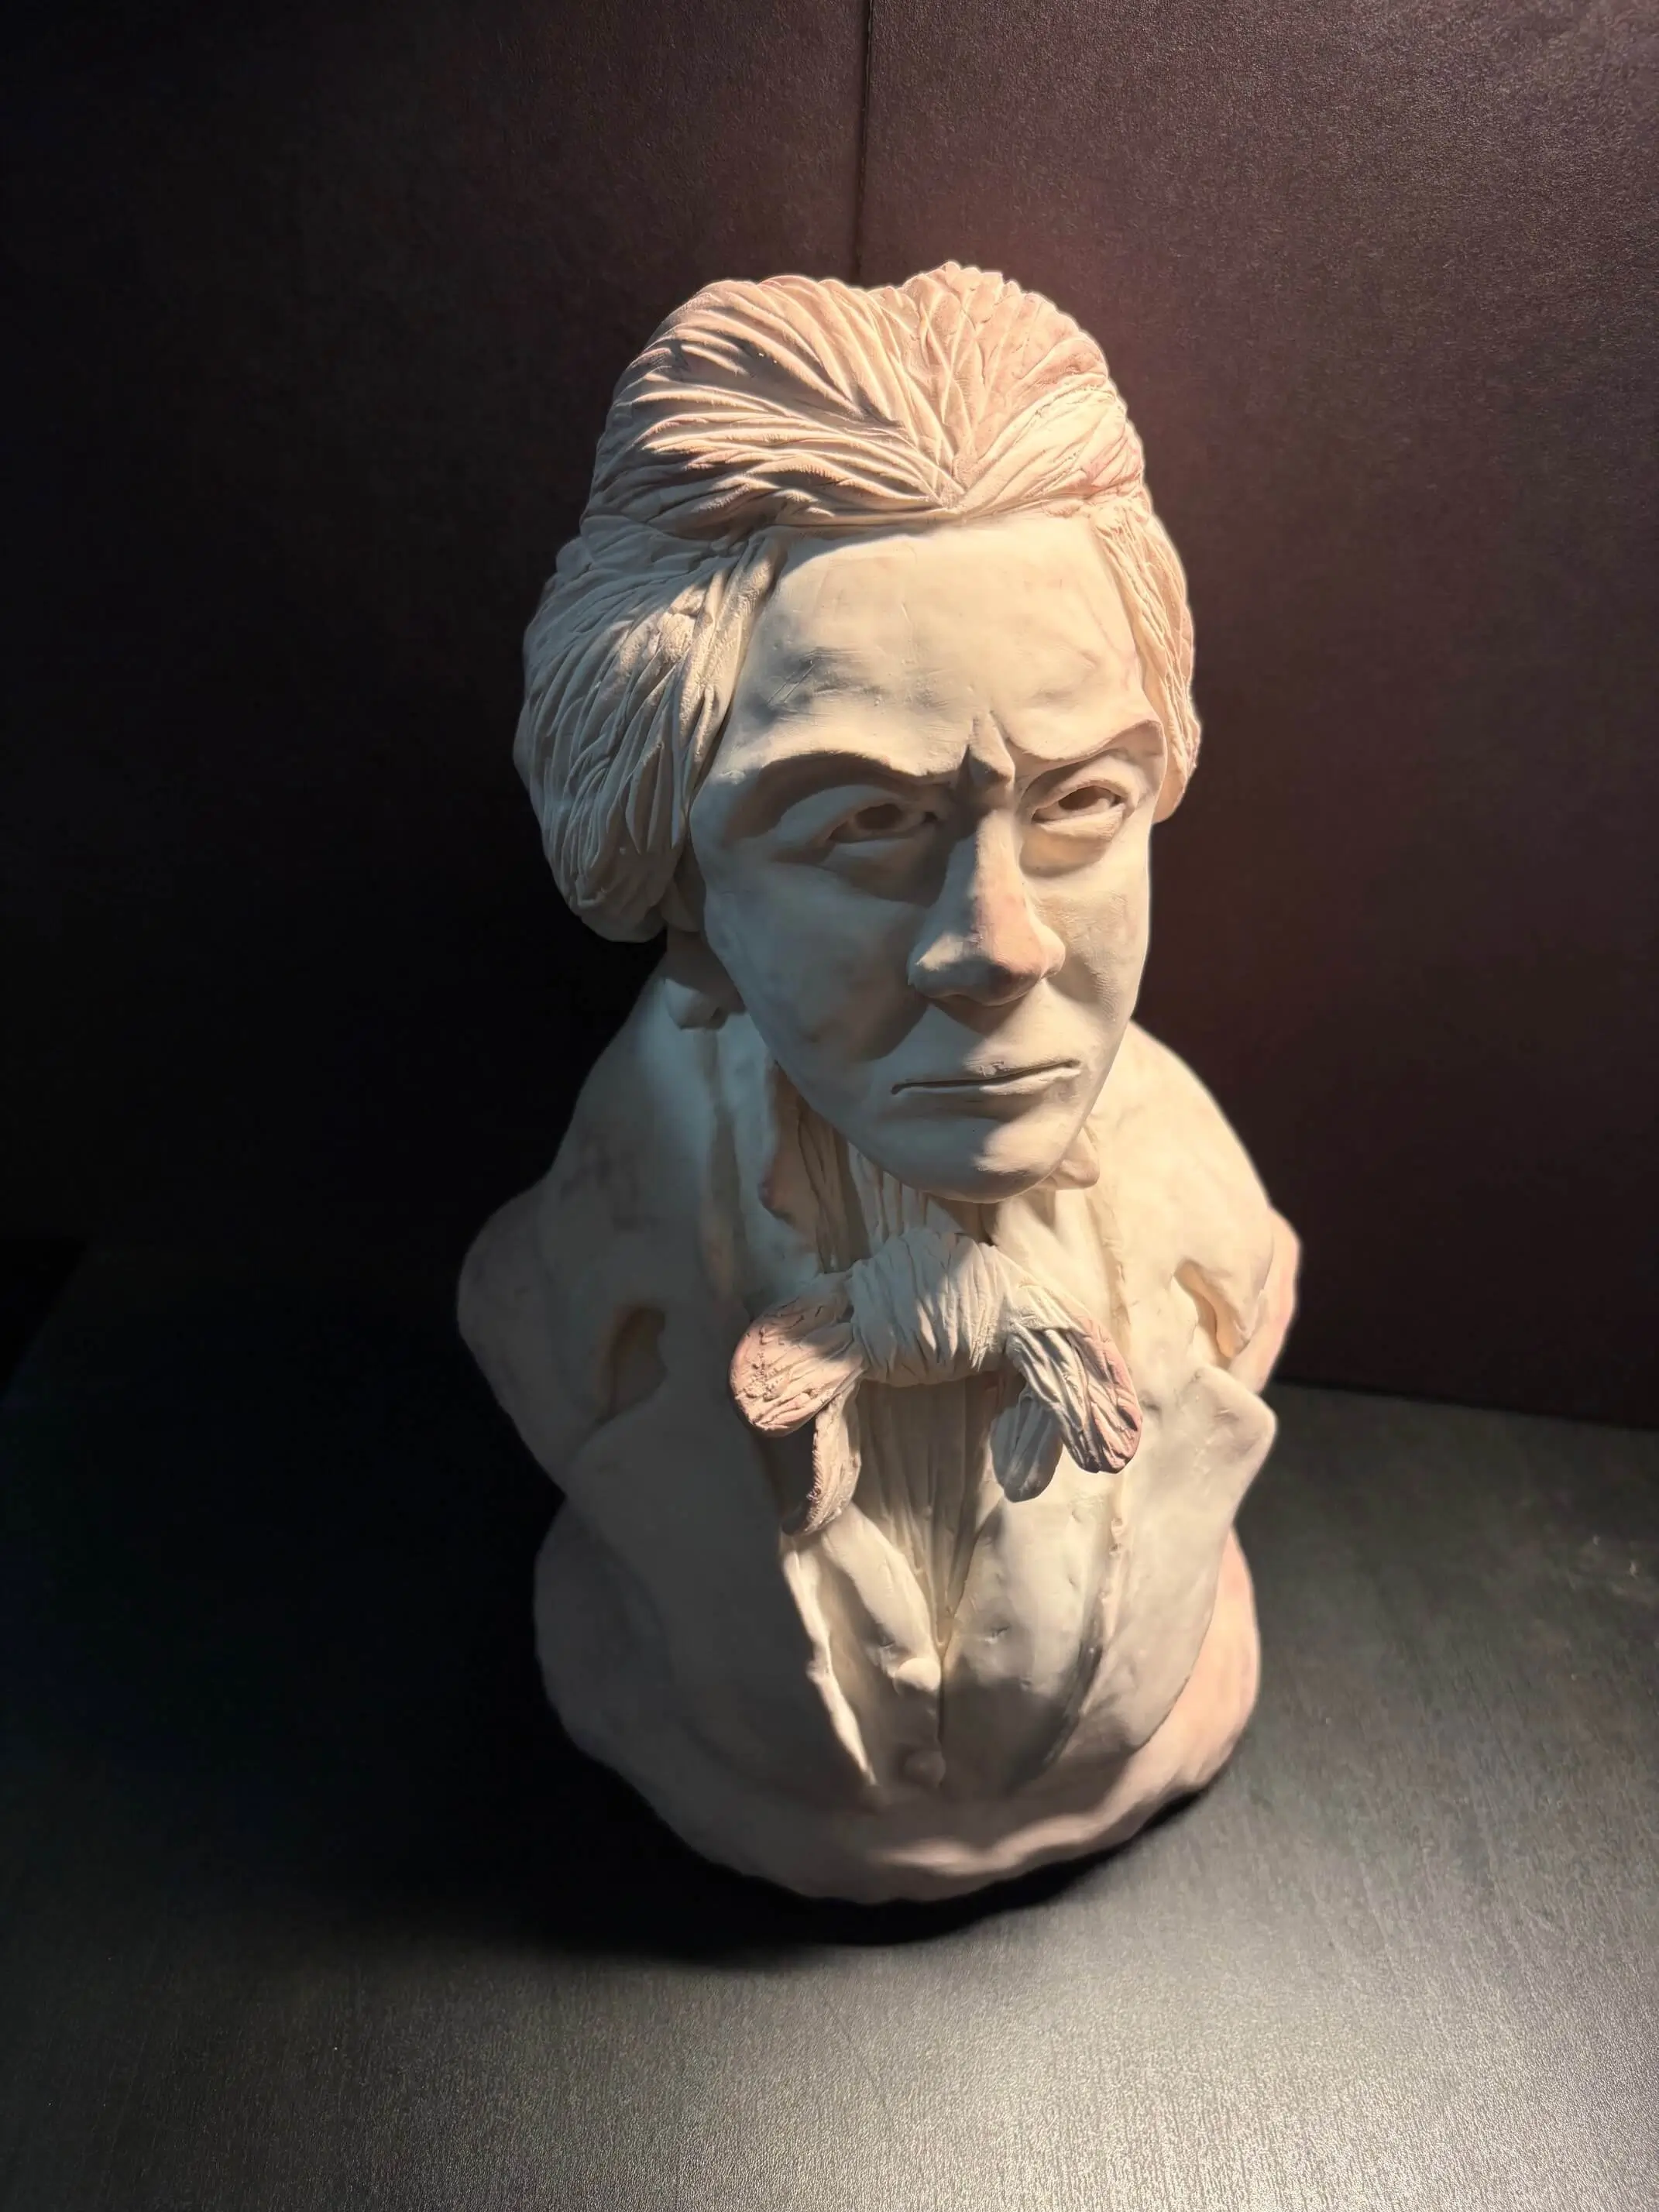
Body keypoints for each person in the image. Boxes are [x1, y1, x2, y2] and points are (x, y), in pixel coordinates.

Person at [460, 263, 1298, 1901]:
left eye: (1079, 804)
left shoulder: (1217, 1245)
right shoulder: (572, 1293)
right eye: (864, 824)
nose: (999, 945)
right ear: (680, 873)